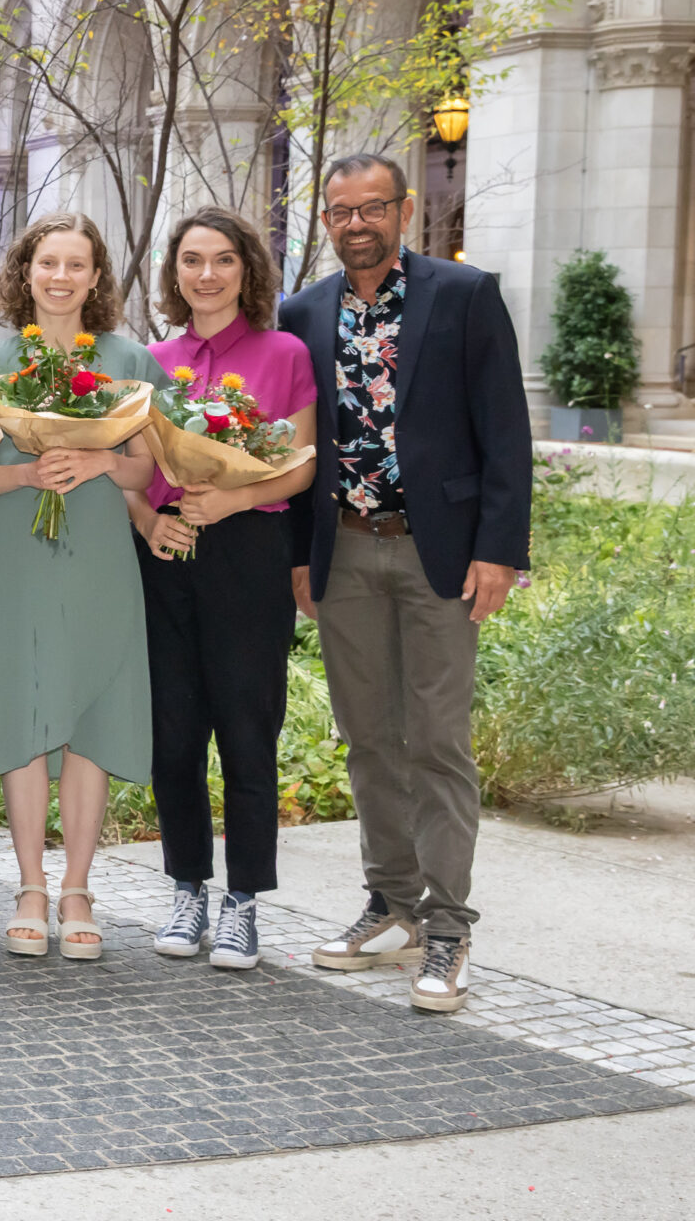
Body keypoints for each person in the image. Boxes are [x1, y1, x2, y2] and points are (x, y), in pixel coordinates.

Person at [283, 154, 529, 1014]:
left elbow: (506, 430)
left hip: (440, 554)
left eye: (374, 208)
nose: (358, 223)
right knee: (368, 737)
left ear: (405, 210)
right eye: (342, 210)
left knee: (436, 741)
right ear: (326, 219)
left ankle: (449, 925)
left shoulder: (462, 296)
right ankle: (391, 906)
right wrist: (298, 556)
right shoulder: (303, 312)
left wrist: (499, 549)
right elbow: (297, 447)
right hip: (344, 551)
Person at [0, 213, 164, 962]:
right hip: (21, 554)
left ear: (97, 276)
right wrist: (26, 473)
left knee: (88, 713)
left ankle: (77, 887)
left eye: (77, 264)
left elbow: (148, 467)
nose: (62, 277)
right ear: (27, 272)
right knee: (25, 707)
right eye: (49, 263)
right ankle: (29, 886)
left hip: (101, 555)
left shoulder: (129, 358)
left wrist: (101, 462)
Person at [125, 208, 317, 970]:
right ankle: (187, 888)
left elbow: (298, 463)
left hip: (247, 547)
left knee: (246, 725)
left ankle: (243, 902)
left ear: (247, 271)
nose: (207, 274)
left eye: (224, 261)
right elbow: (132, 471)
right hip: (167, 550)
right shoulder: (150, 359)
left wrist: (234, 500)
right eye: (193, 260)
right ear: (175, 271)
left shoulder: (284, 352)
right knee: (172, 731)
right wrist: (146, 521)